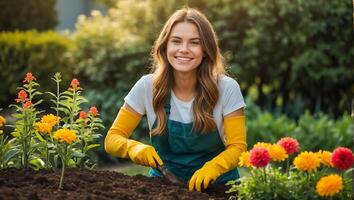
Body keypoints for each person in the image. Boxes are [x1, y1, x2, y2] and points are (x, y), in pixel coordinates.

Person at [104, 7, 247, 192]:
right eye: (176, 41)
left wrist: (214, 168)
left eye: (194, 42)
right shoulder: (147, 86)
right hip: (164, 187)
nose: (184, 49)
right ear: (165, 46)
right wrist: (134, 148)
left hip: (220, 187)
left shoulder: (226, 88)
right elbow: (112, 139)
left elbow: (238, 147)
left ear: (206, 49)